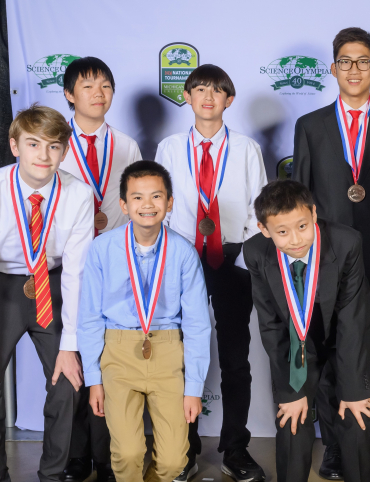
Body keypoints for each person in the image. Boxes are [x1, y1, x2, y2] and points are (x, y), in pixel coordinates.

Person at [292, 26, 370, 479]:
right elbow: (301, 195)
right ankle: (335, 450)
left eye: (363, 60)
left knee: (367, 355)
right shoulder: (309, 126)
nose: (354, 69)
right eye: (345, 60)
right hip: (323, 262)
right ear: (333, 68)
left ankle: (361, 442)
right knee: (324, 361)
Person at [155, 64, 268, 481]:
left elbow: (260, 211)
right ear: (186, 96)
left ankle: (235, 448)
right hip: (183, 257)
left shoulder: (246, 149)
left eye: (217, 91)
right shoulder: (168, 148)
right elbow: (160, 207)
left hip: (232, 257)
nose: (207, 97)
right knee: (178, 354)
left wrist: (243, 259)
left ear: (228, 100)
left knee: (236, 356)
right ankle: (182, 448)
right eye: (199, 89)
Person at [0, 104, 94, 482]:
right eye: (33, 144)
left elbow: (76, 273)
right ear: (14, 146)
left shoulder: (79, 194)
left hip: (53, 285)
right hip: (1, 286)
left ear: (65, 151)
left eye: (54, 146)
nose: (44, 155)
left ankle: (52, 474)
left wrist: (70, 345)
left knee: (68, 383)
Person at [78, 160, 211, 481]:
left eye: (156, 196)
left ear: (170, 203)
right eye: (137, 197)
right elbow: (89, 317)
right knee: (127, 453)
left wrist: (194, 387)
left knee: (173, 460)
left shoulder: (182, 252)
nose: (147, 205)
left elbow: (197, 324)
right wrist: (94, 378)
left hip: (167, 352)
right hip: (118, 352)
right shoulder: (103, 248)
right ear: (123, 204)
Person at [244, 179, 370, 482]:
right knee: (291, 418)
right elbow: (271, 323)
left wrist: (354, 389)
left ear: (314, 214)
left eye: (302, 226)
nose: (295, 239)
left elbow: (352, 319)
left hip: (344, 333)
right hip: (295, 342)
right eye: (282, 232)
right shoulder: (255, 252)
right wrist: (289, 391)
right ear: (264, 230)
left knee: (357, 415)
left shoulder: (346, 243)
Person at [59, 55, 142, 482]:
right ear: (70, 95)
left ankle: (108, 454)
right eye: (88, 86)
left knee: (109, 361)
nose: (98, 94)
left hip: (113, 267)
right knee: (72, 358)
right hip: (63, 266)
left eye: (106, 86)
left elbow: (139, 207)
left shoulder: (127, 145)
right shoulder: (53, 143)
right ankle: (74, 456)